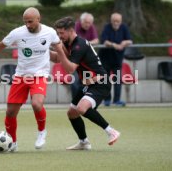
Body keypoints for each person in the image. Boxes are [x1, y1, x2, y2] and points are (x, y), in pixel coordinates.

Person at [0, 7, 61, 152]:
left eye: (30, 21)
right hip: (21, 76)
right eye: (25, 22)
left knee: (37, 103)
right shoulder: (17, 33)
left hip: (40, 75)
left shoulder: (50, 32)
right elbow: (0, 45)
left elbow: (60, 49)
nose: (28, 25)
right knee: (10, 112)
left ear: (38, 19)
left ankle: (42, 132)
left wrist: (66, 58)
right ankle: (13, 143)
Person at [51, 16, 120, 150]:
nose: (59, 36)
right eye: (57, 33)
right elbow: (57, 58)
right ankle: (84, 142)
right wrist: (39, 51)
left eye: (61, 33)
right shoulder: (68, 43)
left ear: (71, 30)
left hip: (101, 82)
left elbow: (70, 69)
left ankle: (111, 131)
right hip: (88, 84)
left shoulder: (79, 45)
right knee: (72, 112)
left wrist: (58, 49)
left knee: (82, 108)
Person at [99, 13, 133, 107]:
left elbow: (130, 40)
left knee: (118, 80)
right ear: (111, 20)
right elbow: (104, 41)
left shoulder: (124, 27)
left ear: (121, 21)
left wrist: (124, 42)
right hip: (105, 58)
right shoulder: (107, 27)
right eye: (114, 21)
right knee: (105, 80)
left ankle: (117, 100)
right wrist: (114, 45)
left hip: (117, 59)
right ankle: (107, 100)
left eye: (118, 21)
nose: (116, 23)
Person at [71, 12, 99, 99]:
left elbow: (96, 40)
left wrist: (85, 43)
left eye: (89, 23)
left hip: (86, 61)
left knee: (88, 82)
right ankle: (75, 101)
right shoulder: (75, 26)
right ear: (81, 21)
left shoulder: (91, 27)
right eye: (86, 22)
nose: (88, 25)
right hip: (75, 60)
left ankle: (84, 100)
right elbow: (73, 40)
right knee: (74, 82)